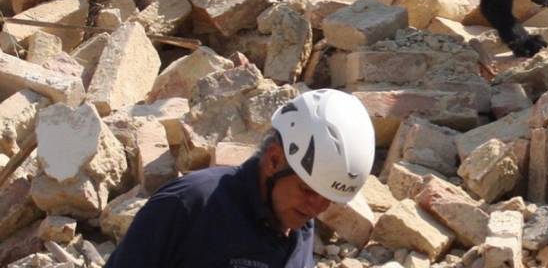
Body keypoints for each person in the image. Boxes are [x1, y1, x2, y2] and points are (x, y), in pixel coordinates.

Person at [105, 89, 375, 268]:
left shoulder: (299, 228)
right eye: (307, 190)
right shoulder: (191, 204)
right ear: (274, 160)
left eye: (328, 199)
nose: (316, 208)